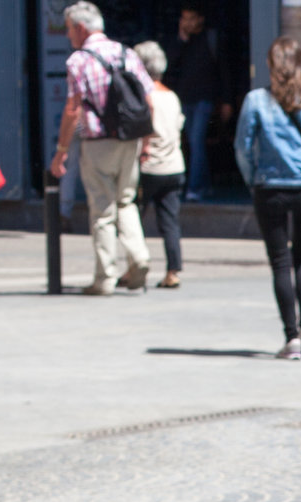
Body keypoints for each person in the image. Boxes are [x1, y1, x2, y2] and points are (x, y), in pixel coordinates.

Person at [235, 35, 301, 359]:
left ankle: (291, 337)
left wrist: (253, 176)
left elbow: (242, 146)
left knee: (280, 262)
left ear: (270, 65)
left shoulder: (256, 100)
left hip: (271, 187)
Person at [52, 1, 154, 295]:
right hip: (129, 140)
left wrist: (61, 150)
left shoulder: (78, 60)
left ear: (81, 28)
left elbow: (73, 109)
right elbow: (148, 102)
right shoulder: (127, 53)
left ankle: (105, 277)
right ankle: (139, 257)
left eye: (69, 28)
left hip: (97, 142)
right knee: (126, 201)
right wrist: (146, 142)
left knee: (102, 209)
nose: (68, 35)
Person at [135, 41, 187, 287]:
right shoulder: (172, 97)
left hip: (148, 168)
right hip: (174, 166)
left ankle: (133, 267)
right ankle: (173, 271)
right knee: (170, 221)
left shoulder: (144, 98)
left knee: (133, 219)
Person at [167, 6, 228, 199]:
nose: (188, 23)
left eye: (191, 18)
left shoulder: (211, 39)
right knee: (191, 143)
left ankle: (194, 188)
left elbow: (225, 71)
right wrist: (182, 40)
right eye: (184, 19)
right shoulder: (180, 41)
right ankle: (205, 185)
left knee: (196, 141)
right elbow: (169, 66)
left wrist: (227, 100)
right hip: (184, 100)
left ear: (200, 19)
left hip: (204, 99)